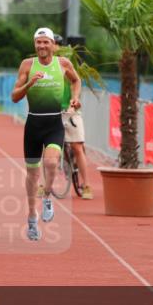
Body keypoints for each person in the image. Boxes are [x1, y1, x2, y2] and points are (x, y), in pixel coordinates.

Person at [11, 27, 81, 241]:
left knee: (51, 163)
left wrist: (75, 98)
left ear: (52, 44)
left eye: (45, 42)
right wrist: (30, 83)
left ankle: (47, 195)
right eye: (38, 42)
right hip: (33, 125)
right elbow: (14, 96)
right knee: (32, 173)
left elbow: (76, 81)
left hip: (54, 123)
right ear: (35, 44)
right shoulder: (27, 65)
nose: (42, 46)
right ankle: (32, 217)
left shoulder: (63, 64)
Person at [54, 35, 94, 200]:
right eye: (52, 43)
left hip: (70, 110)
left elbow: (76, 82)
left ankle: (86, 185)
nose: (54, 47)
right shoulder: (41, 65)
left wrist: (74, 102)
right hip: (52, 112)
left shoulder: (66, 63)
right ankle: (45, 182)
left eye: (57, 44)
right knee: (48, 148)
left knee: (77, 147)